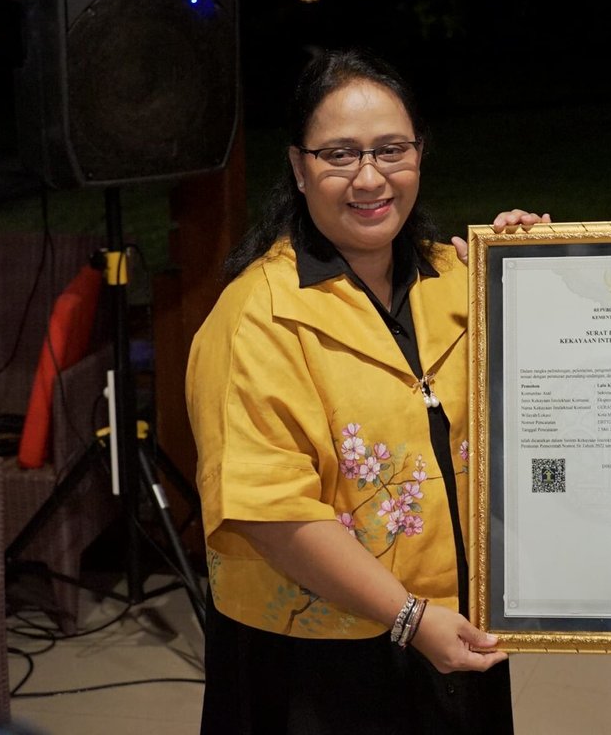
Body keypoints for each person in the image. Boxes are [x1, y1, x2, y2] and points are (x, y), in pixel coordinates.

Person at [187, 48, 544, 734]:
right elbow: (270, 511)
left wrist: (540, 275)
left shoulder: (461, 279)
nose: (370, 177)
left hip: (455, 629)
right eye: (340, 155)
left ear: (420, 153)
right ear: (299, 169)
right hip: (318, 664)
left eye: (390, 149)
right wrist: (408, 616)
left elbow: (553, 412)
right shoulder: (257, 315)